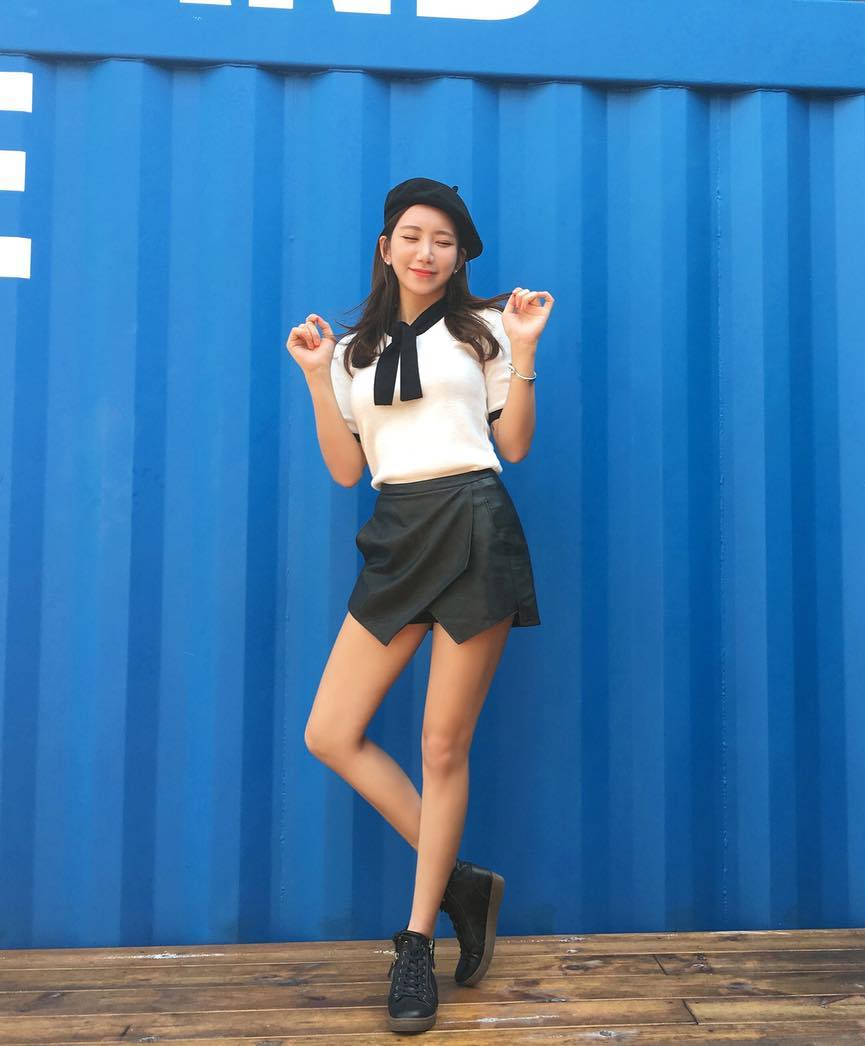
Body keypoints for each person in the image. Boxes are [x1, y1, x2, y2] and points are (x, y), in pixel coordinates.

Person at [284, 177, 554, 1035]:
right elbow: (346, 470)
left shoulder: (485, 331)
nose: (425, 252)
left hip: (474, 522)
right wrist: (315, 377)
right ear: (386, 246)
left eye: (443, 240)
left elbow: (514, 444)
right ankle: (463, 884)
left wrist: (524, 350)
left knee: (442, 746)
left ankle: (415, 943)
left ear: (460, 254)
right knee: (330, 731)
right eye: (411, 235)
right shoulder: (351, 350)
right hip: (398, 531)